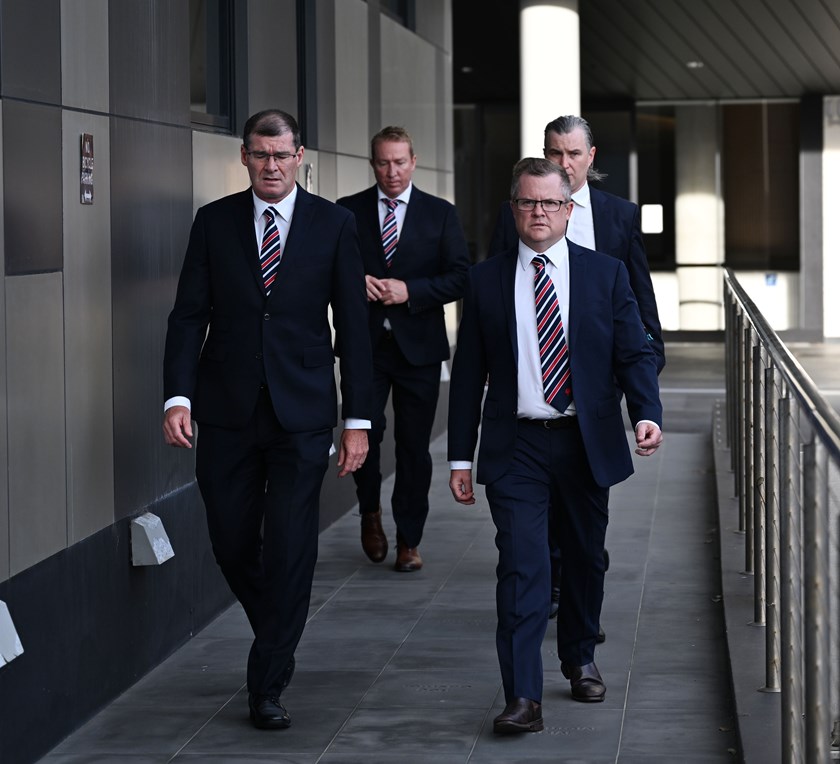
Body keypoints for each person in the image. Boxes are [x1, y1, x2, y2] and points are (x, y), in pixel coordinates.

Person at [162, 109, 372, 731]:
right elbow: (187, 316)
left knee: (288, 545)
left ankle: (268, 680)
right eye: (260, 155)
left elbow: (353, 331)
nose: (272, 166)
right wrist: (178, 398)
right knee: (230, 541)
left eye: (282, 155)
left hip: (302, 414)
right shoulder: (214, 222)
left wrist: (356, 417)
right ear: (245, 157)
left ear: (300, 155)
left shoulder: (333, 225)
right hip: (224, 411)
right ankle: (279, 627)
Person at [448, 158, 662, 734]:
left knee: (586, 557)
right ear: (512, 209)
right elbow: (468, 373)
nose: (538, 213)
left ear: (569, 209)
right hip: (515, 443)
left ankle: (579, 653)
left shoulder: (605, 275)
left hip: (583, 442)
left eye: (550, 203)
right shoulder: (486, 279)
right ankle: (523, 696)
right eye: (527, 202)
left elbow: (633, 351)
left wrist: (646, 412)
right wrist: (460, 457)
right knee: (522, 566)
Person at [489, 114, 666, 630]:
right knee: (540, 503)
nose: (563, 164)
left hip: (598, 378)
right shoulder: (522, 211)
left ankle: (579, 589)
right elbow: (502, 285)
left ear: (591, 157)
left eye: (572, 154)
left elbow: (638, 292)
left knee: (586, 502)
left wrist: (647, 370)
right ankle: (551, 582)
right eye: (554, 153)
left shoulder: (618, 215)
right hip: (536, 377)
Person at [337, 126, 470, 572]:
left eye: (399, 162)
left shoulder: (440, 214)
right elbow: (324, 270)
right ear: (371, 163)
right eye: (382, 162)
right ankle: (370, 512)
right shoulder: (346, 212)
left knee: (414, 448)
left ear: (413, 161)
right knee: (366, 439)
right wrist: (355, 282)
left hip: (420, 350)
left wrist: (409, 290)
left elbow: (460, 276)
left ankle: (409, 539)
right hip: (365, 349)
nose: (391, 172)